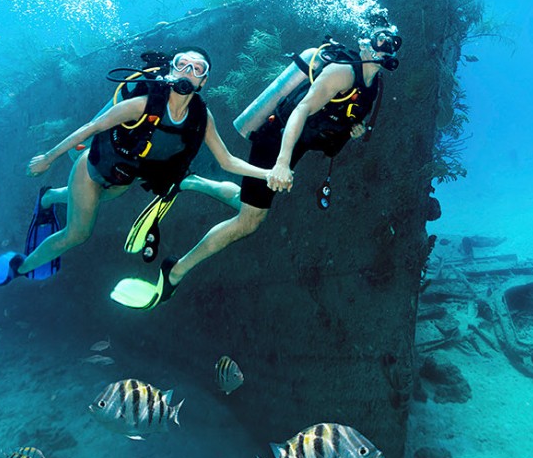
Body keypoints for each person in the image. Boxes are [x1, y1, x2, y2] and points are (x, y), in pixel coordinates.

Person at [135, 27, 403, 309]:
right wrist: (281, 164)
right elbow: (301, 110)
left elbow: (339, 113)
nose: (385, 47)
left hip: (294, 146)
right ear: (364, 44)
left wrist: (354, 129)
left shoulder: (374, 85)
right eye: (379, 40)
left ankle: (191, 183)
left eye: (392, 43)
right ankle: (175, 271)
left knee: (248, 203)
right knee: (249, 221)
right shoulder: (341, 72)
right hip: (274, 142)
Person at [0, 48, 273, 286]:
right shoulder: (143, 104)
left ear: (204, 81)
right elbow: (91, 127)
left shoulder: (201, 116)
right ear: (170, 69)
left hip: (124, 178)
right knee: (78, 234)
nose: (188, 72)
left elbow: (227, 161)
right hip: (92, 169)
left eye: (198, 69)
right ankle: (20, 266)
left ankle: (48, 197)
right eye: (182, 64)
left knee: (90, 201)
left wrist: (270, 174)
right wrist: (48, 157)